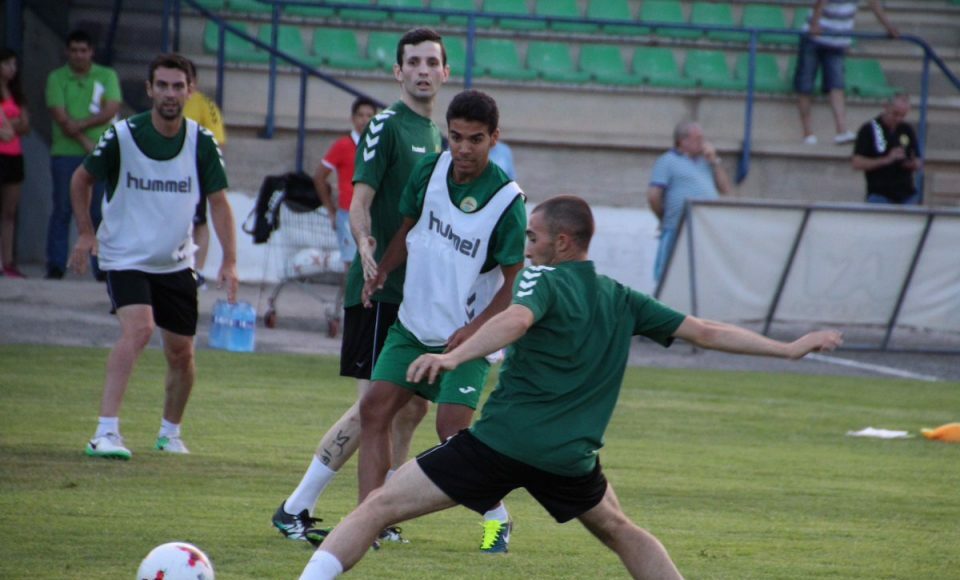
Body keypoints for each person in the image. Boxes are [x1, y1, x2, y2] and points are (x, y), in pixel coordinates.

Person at [298, 195, 844, 579]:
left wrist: (453, 355)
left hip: (501, 444)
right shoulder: (622, 297)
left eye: (533, 238)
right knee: (620, 530)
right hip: (569, 460)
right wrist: (787, 349)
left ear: (561, 242)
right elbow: (706, 330)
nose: (528, 247)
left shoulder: (542, 278)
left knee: (377, 507)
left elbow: (516, 320)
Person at [272, 27, 449, 546]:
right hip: (379, 288)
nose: (422, 70)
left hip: (414, 294)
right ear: (397, 72)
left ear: (444, 72)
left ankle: (379, 511)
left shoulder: (435, 134)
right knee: (375, 404)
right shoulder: (386, 126)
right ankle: (297, 508)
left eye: (431, 62)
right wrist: (364, 245)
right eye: (412, 62)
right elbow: (360, 200)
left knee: (411, 406)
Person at [356, 88, 526, 552]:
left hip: (466, 341)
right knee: (373, 411)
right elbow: (407, 230)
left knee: (452, 435)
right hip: (413, 326)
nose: (464, 148)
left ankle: (496, 516)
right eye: (456, 137)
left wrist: (474, 330)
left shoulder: (507, 201)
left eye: (476, 139)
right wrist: (383, 271)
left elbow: (514, 284)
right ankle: (369, 524)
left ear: (494, 138)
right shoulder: (428, 171)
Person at [69, 53, 239, 460]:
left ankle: (169, 434)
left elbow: (219, 203)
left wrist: (229, 260)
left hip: (175, 261)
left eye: (178, 86)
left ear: (190, 91)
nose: (169, 93)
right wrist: (86, 233)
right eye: (162, 85)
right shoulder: (122, 136)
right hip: (124, 255)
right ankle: (104, 432)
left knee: (182, 353)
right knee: (140, 330)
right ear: (149, 89)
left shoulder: (201, 141)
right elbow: (81, 179)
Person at [45, 29, 122, 280]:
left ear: (91, 52)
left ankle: (102, 267)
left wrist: (80, 126)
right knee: (63, 209)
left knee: (100, 211)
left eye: (83, 50)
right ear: (67, 52)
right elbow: (59, 114)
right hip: (66, 152)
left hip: (100, 154)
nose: (79, 55)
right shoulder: (57, 77)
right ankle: (56, 265)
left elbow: (112, 108)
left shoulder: (107, 75)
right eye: (74, 50)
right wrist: (86, 140)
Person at [794, 0, 899, 146]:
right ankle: (808, 133)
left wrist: (889, 27)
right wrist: (815, 24)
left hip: (837, 39)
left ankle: (841, 130)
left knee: (837, 85)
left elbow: (874, 4)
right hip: (816, 37)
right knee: (805, 85)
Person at [313, 96, 379, 325]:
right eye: (360, 115)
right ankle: (352, 311)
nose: (364, 120)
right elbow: (320, 176)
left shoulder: (378, 145)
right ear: (352, 118)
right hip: (347, 215)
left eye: (369, 116)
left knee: (371, 264)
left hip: (372, 215)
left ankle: (365, 309)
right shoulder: (343, 146)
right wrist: (331, 210)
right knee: (353, 266)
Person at [646, 121, 732, 283]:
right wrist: (664, 217)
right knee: (668, 274)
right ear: (682, 141)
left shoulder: (706, 162)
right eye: (698, 138)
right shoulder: (667, 161)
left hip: (705, 229)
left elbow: (725, 189)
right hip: (677, 227)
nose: (703, 143)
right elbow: (653, 196)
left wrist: (715, 161)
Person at [183, 59, 228, 289]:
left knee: (198, 221)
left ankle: (196, 271)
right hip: (165, 172)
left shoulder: (205, 105)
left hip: (194, 173)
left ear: (194, 81)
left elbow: (217, 141)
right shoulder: (163, 106)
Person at [851, 93, 922, 205]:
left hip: (906, 194)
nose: (898, 119)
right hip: (880, 194)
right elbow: (857, 162)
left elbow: (918, 160)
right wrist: (887, 160)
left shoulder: (907, 129)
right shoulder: (869, 129)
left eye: (903, 115)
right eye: (895, 114)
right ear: (886, 107)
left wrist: (912, 163)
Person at [0, 48, 30, 278]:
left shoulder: (17, 93)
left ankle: (8, 260)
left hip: (14, 155)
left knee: (10, 212)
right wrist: (12, 125)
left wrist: (10, 125)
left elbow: (24, 126)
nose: (11, 69)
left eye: (14, 64)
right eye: (6, 64)